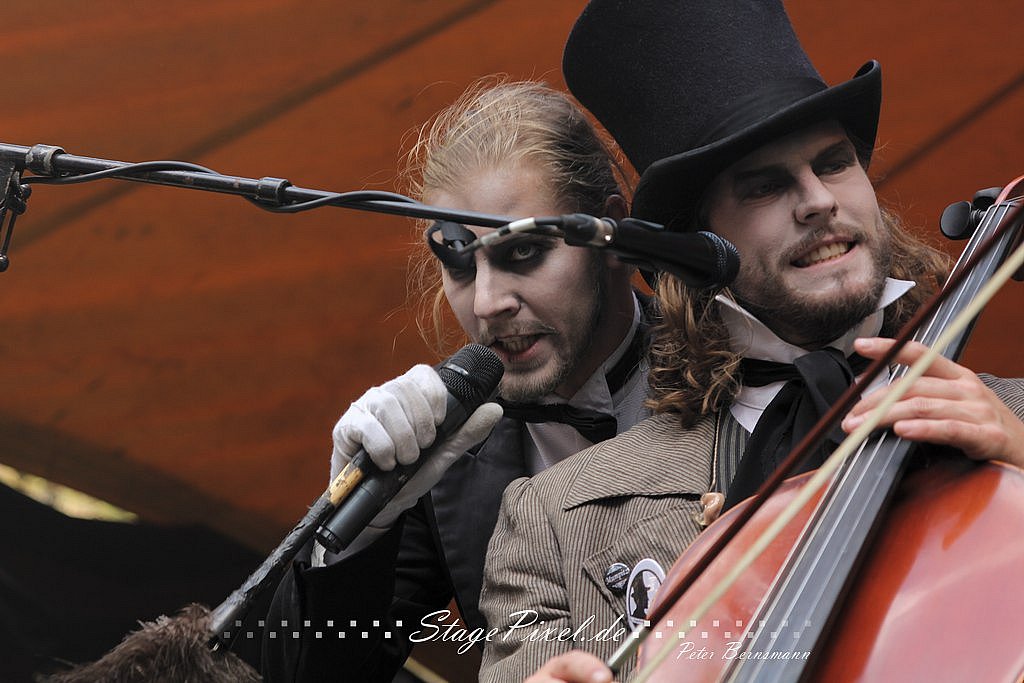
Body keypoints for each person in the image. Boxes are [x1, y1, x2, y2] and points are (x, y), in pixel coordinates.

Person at [476, 2, 1024, 681]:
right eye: (766, 187)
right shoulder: (552, 521)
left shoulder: (1016, 425)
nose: (818, 200)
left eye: (835, 163)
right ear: (698, 247)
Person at [261, 79, 652, 682]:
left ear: (612, 234)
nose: (488, 302)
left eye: (524, 253)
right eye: (460, 263)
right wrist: (358, 526)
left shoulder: (739, 367)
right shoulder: (448, 451)